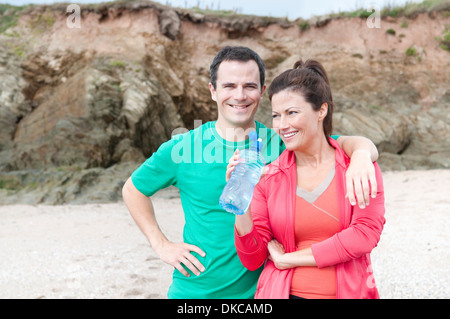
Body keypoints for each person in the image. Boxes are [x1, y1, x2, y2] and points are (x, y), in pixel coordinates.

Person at [122, 46, 380, 299]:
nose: (240, 95)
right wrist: (161, 245)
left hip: (264, 289)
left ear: (262, 91)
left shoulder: (282, 142)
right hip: (196, 289)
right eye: (229, 86)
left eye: (250, 86)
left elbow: (332, 144)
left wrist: (360, 154)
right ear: (213, 91)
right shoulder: (183, 148)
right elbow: (133, 190)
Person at [231, 59, 386, 299]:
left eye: (292, 112)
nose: (282, 125)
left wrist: (288, 259)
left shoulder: (358, 166)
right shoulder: (269, 176)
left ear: (321, 110)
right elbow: (253, 259)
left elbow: (365, 235)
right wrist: (241, 197)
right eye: (276, 115)